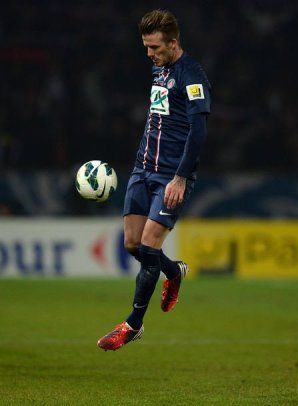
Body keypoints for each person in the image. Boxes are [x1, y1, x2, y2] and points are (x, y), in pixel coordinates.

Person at [97, 9, 211, 351]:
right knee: (133, 244)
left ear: (173, 43)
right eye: (146, 47)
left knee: (148, 247)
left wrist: (180, 177)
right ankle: (173, 272)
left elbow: (199, 131)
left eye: (155, 48)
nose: (149, 54)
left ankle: (132, 324)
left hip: (171, 176)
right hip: (142, 168)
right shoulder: (159, 68)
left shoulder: (192, 76)